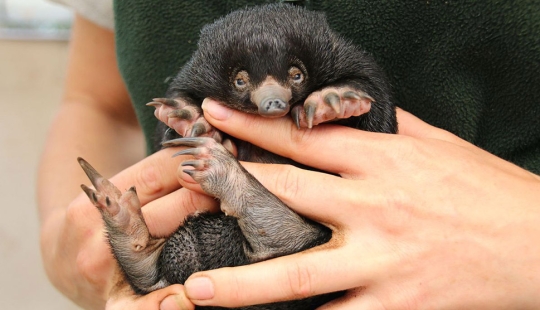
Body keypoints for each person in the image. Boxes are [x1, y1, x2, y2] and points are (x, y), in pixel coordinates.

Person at [39, 1, 540, 309]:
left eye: (293, 80)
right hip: (199, 267)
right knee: (180, 257)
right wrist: (70, 245)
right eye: (243, 84)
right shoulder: (205, 67)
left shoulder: (337, 61)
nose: (271, 102)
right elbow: (97, 103)